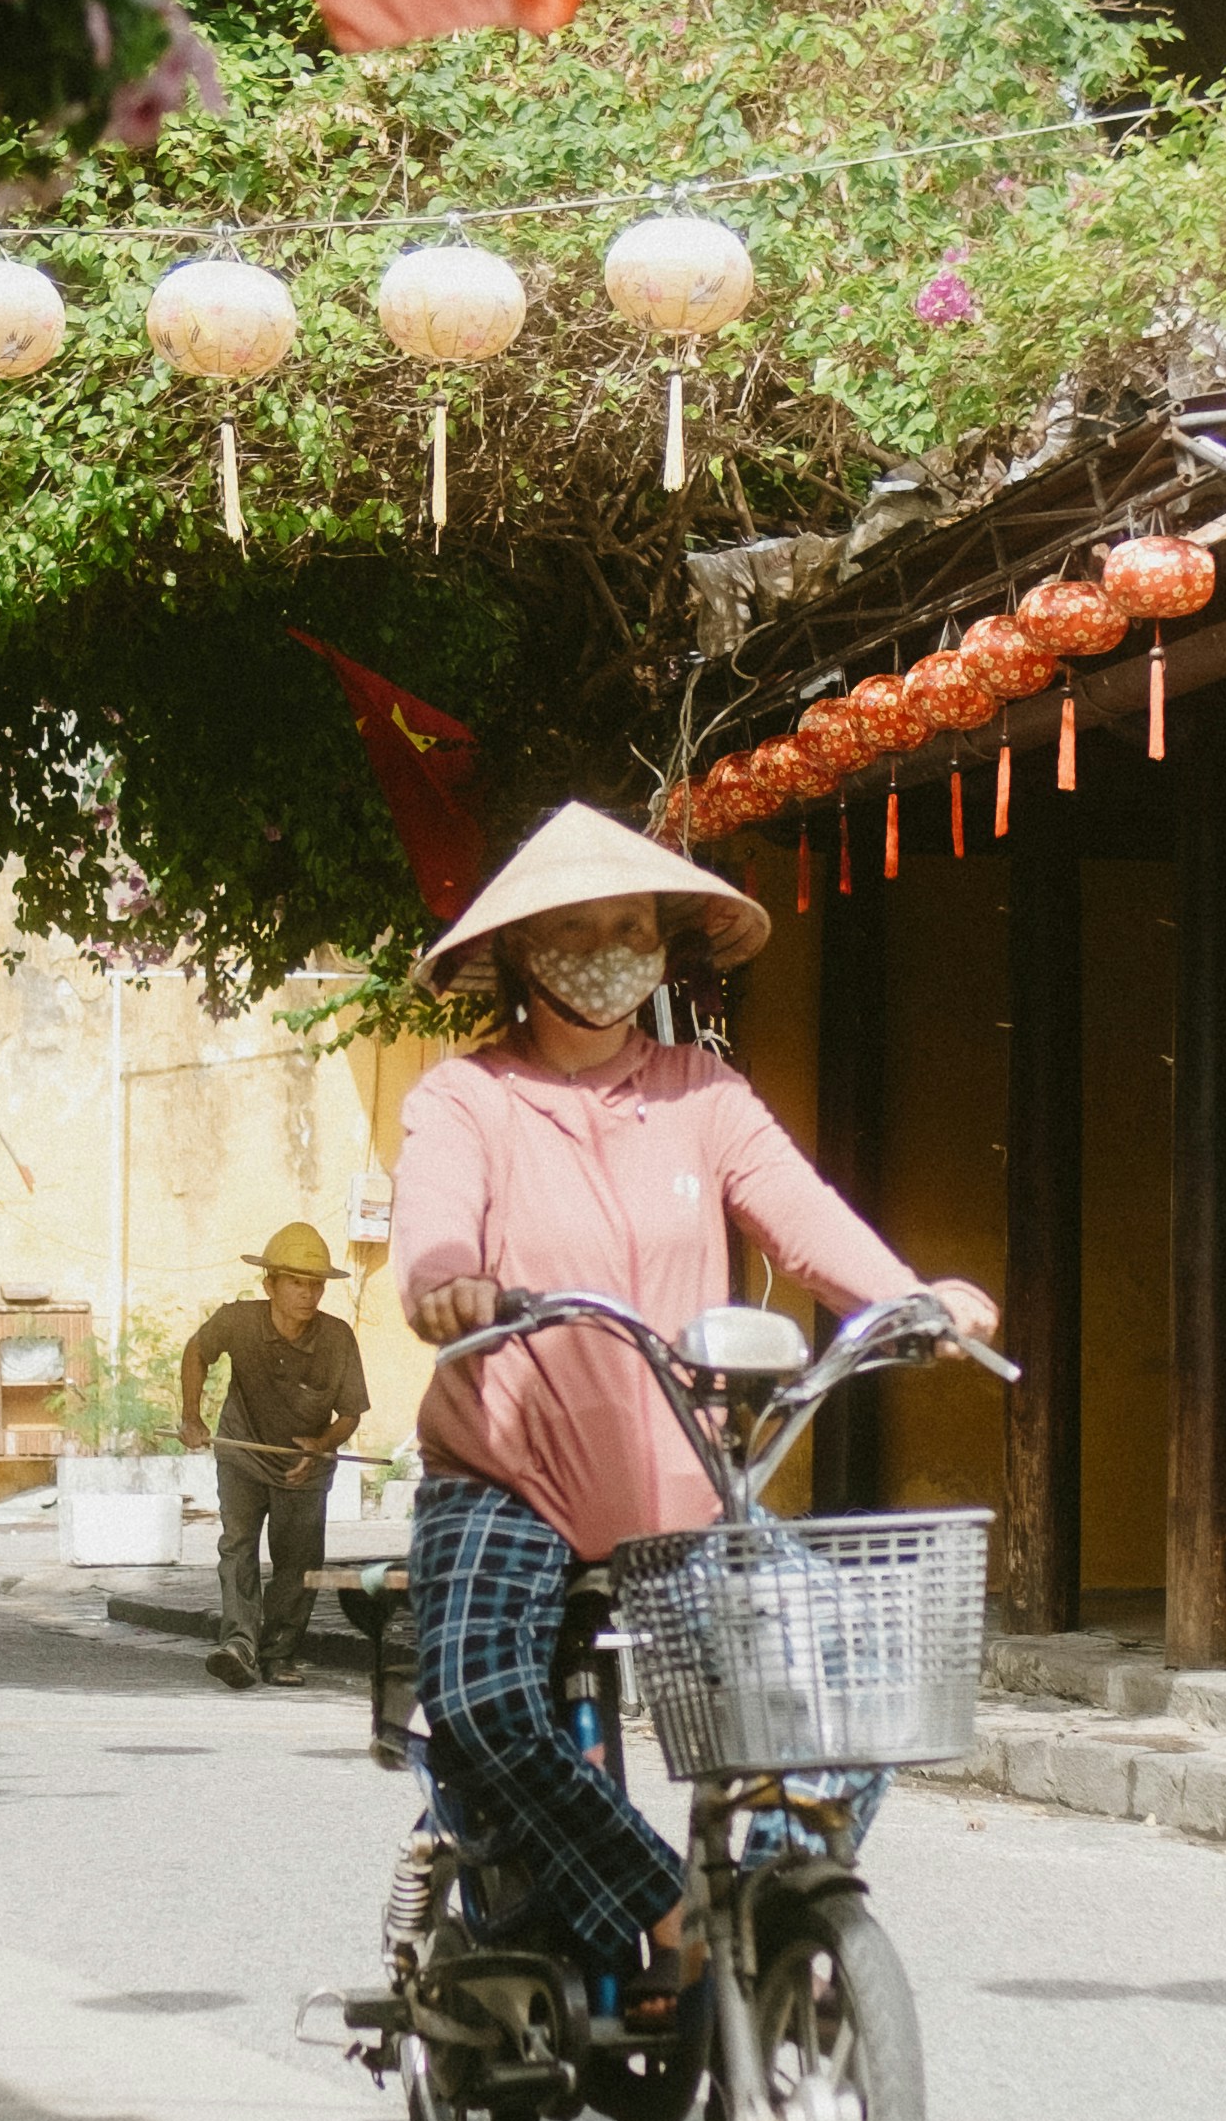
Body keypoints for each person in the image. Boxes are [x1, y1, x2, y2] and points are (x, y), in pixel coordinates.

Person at [390, 800, 995, 2006]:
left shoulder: (703, 1095)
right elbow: (433, 1223)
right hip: (507, 1477)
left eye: (632, 926)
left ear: (665, 945)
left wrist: (909, 1295)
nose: (610, 947)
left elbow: (802, 1212)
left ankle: (756, 1910)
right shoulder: (468, 1098)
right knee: (473, 1693)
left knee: (864, 1671)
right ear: (519, 952)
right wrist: (444, 1285)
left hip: (682, 1491)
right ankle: (665, 1913)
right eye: (578, 928)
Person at [179, 1225, 371, 1690]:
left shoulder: (337, 1337)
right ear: (270, 1285)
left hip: (305, 1465)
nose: (307, 1295)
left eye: (315, 1285)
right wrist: (191, 1415)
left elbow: (350, 1414)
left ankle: (279, 1652)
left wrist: (322, 1444)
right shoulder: (238, 1321)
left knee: (300, 1564)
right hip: (243, 1452)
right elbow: (196, 1352)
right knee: (238, 1546)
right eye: (296, 1283)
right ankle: (240, 1644)